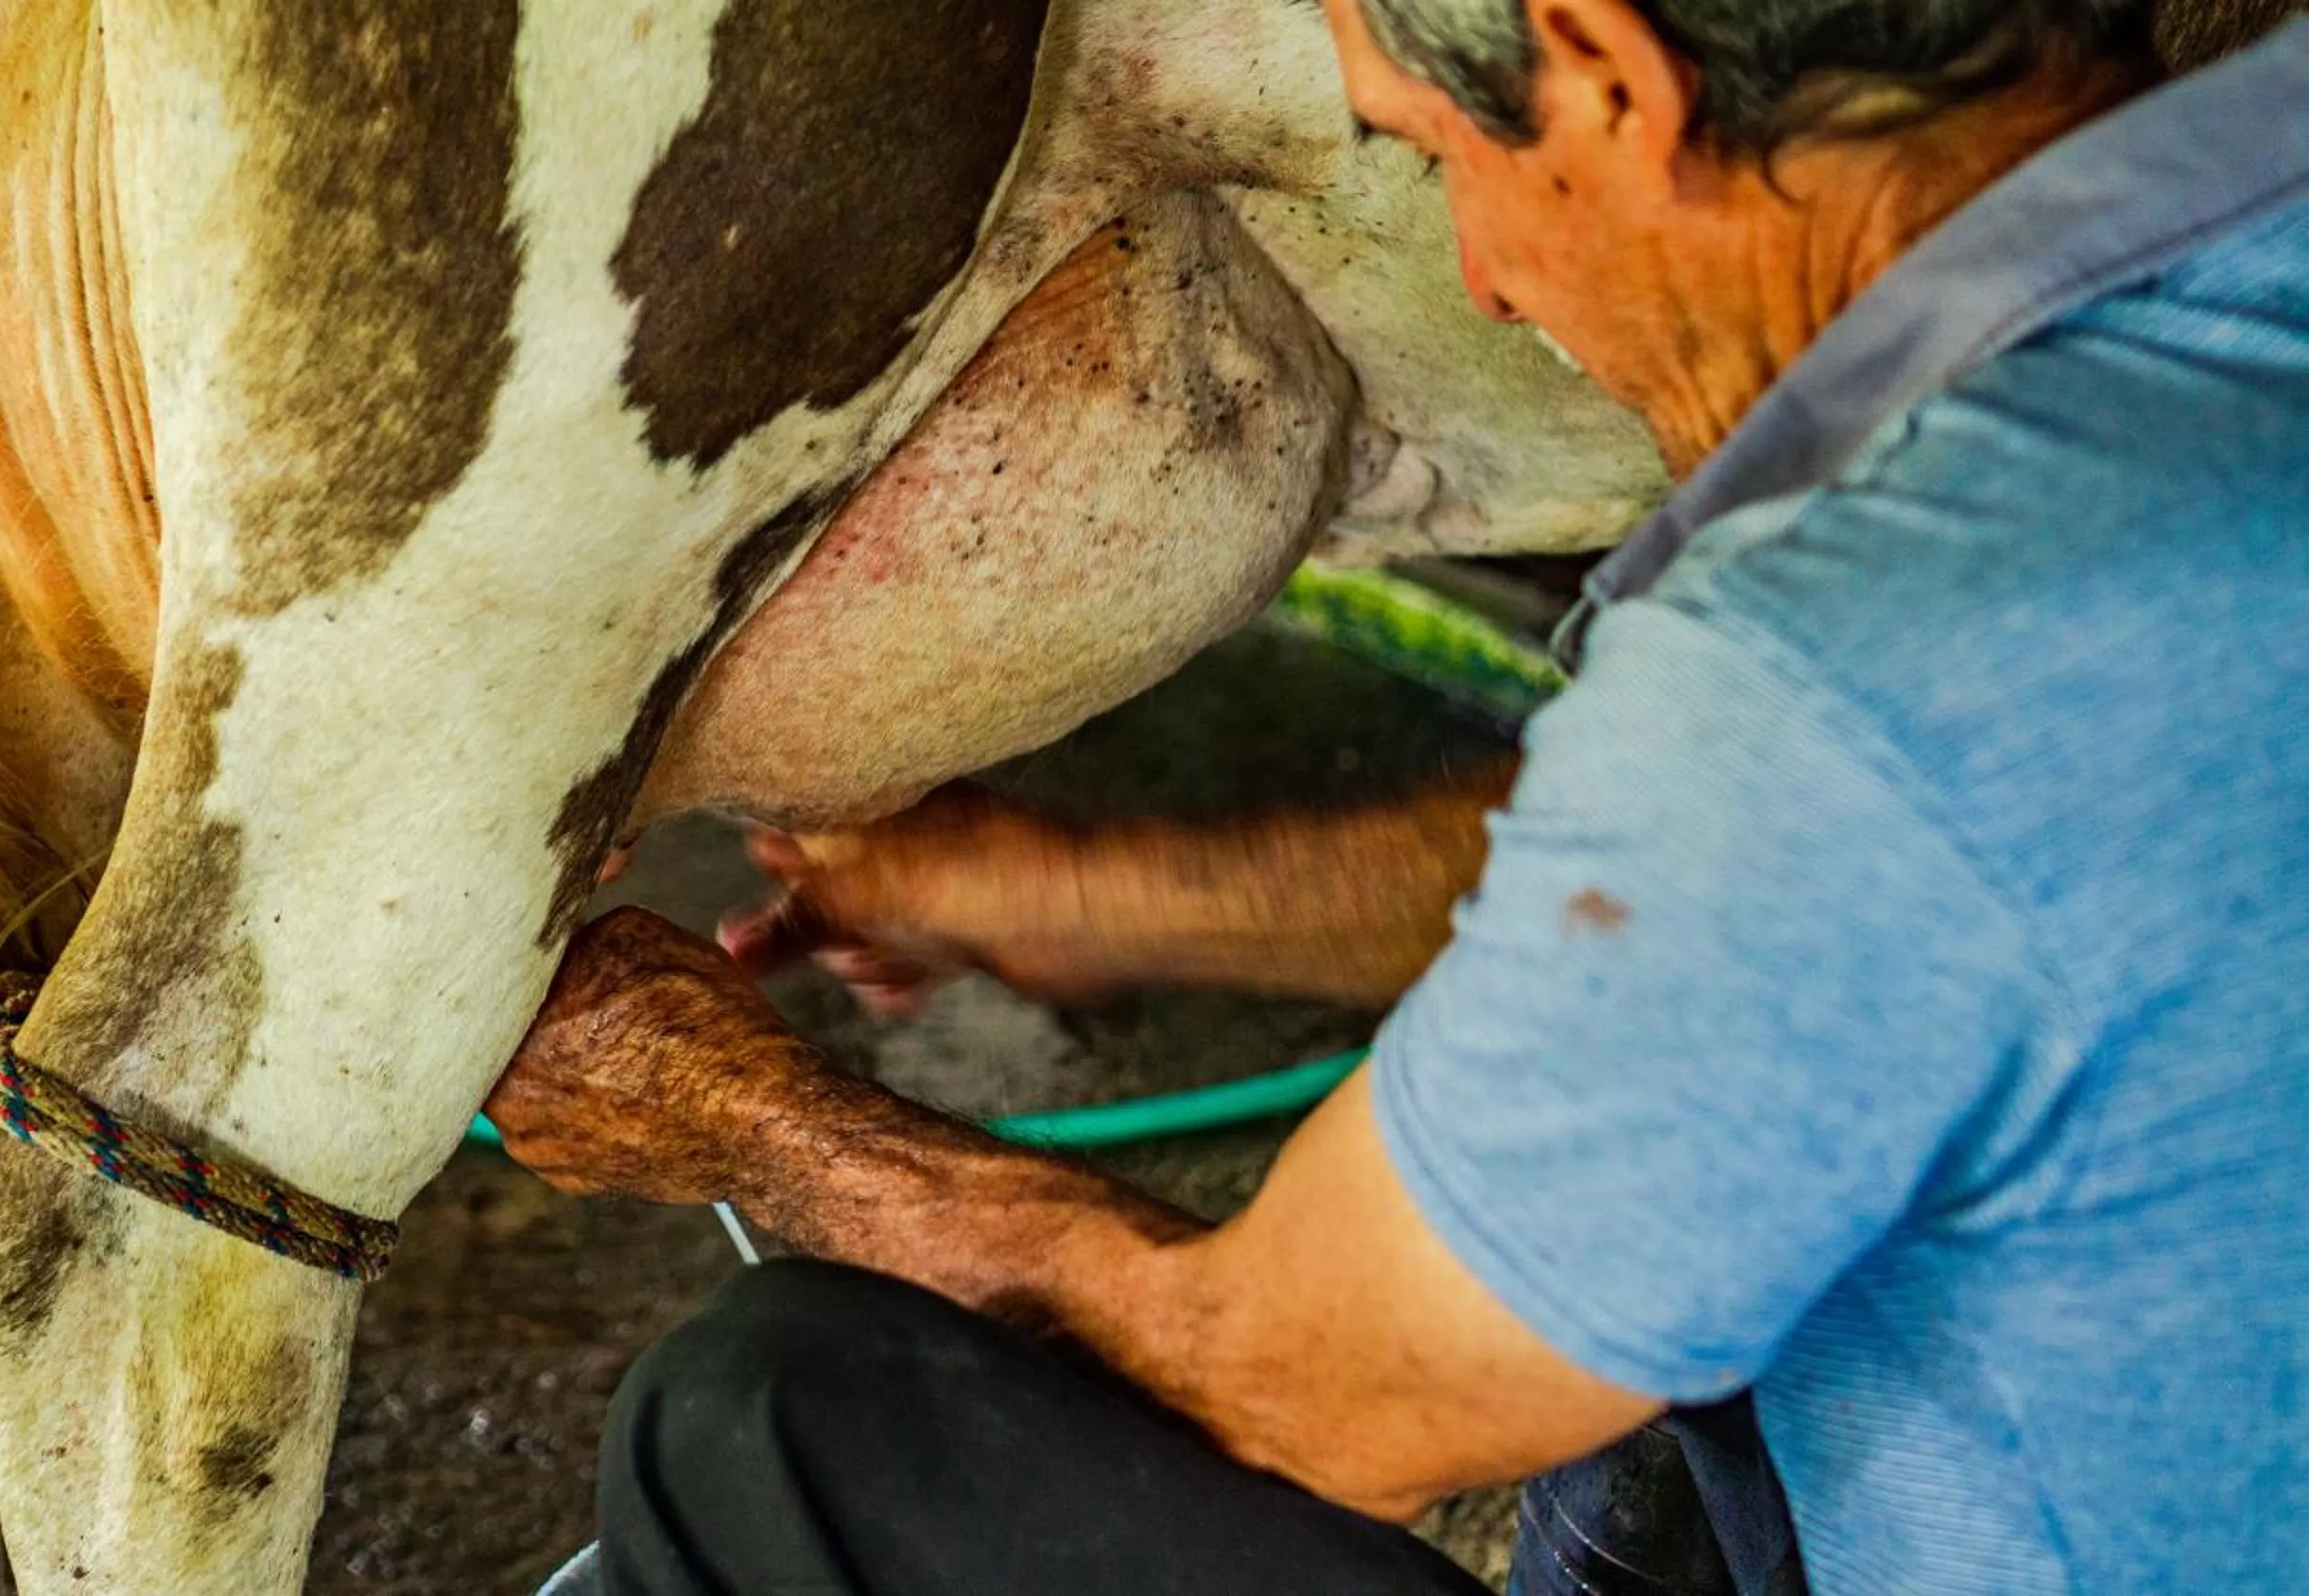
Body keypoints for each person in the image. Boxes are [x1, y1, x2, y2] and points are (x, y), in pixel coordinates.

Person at [484, 0, 2309, 1587]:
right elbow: (1777, 899)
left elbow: (1294, 1390)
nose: (1489, 277)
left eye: (1428, 150)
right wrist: (1088, 897)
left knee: (771, 1423)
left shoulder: (1850, 670)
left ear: (1602, 72)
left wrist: (737, 1115)